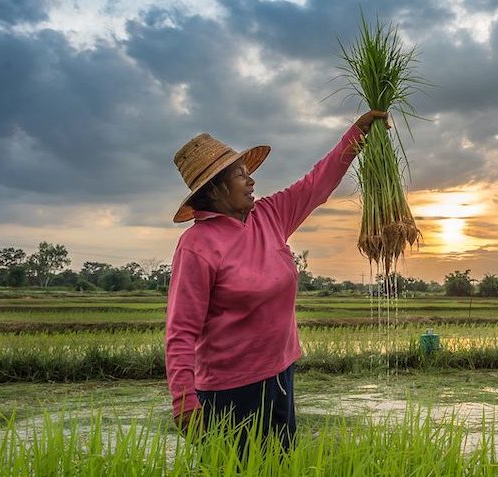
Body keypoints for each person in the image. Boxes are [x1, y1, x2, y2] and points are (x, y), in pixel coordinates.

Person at [165, 110, 387, 451]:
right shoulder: (197, 246)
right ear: (215, 190)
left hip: (281, 374)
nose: (251, 180)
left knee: (279, 464)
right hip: (229, 391)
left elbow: (317, 183)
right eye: (240, 175)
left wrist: (357, 134)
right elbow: (181, 330)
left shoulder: (269, 215)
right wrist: (184, 401)